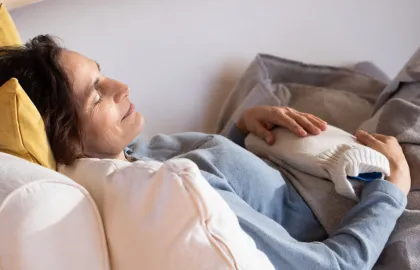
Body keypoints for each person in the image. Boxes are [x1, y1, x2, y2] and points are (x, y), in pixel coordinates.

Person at [0, 35, 410, 269]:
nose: (121, 87)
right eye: (96, 96)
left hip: (293, 157)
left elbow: (211, 168)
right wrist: (391, 192)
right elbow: (333, 266)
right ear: (67, 141)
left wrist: (240, 128)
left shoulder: (132, 154)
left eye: (101, 73)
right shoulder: (172, 190)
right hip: (361, 203)